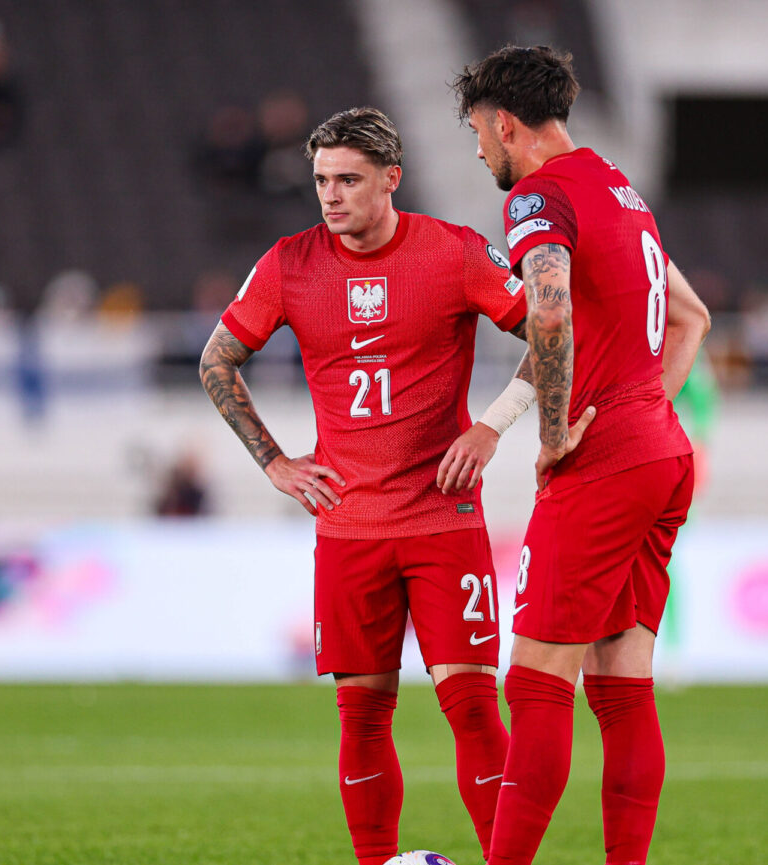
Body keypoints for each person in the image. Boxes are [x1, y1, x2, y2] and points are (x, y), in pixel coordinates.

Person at [198, 106, 544, 865]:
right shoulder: (289, 263)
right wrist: (275, 462)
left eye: (349, 179)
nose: (331, 194)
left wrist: (492, 425)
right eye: (322, 179)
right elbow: (215, 360)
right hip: (348, 527)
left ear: (392, 179)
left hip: (442, 520)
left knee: (473, 710)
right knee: (360, 719)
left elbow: (550, 330)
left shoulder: (453, 251)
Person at [453, 45, 712, 865]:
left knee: (535, 683)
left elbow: (550, 312)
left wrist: (555, 429)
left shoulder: (539, 196)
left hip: (604, 461)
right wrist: (641, 410)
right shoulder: (620, 189)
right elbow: (693, 318)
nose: (480, 153)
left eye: (478, 134)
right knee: (622, 686)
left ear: (504, 124)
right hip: (661, 451)